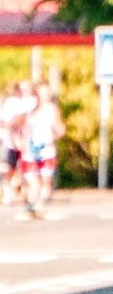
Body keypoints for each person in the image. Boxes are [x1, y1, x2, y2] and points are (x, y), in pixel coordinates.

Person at [17, 83, 63, 219]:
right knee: (32, 180)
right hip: (29, 150)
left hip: (46, 149)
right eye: (40, 94)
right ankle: (31, 207)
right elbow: (18, 126)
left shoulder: (51, 110)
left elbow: (60, 129)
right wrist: (20, 141)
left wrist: (49, 140)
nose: (43, 97)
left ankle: (38, 207)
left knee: (45, 180)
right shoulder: (28, 109)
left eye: (45, 94)